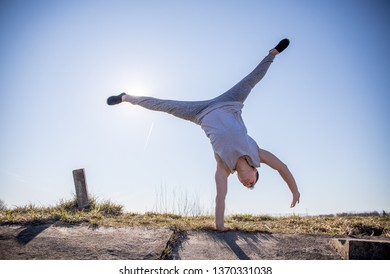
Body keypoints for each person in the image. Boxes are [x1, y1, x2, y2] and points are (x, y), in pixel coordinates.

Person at [107, 38, 300, 231]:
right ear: (255, 171)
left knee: (165, 106)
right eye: (251, 182)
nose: (246, 183)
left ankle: (125, 97)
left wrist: (220, 226)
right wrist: (294, 191)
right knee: (251, 80)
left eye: (245, 185)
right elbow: (281, 167)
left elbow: (220, 197)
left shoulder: (223, 168)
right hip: (230, 103)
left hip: (200, 113)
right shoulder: (257, 154)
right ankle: (273, 53)